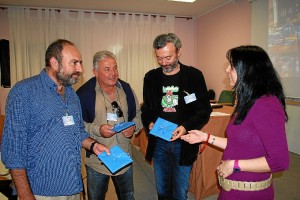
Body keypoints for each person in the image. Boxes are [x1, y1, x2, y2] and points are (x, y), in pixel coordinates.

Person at [1, 39, 110, 200]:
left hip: (72, 187)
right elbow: (13, 151)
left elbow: (77, 132)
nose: (80, 68)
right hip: (41, 192)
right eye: (74, 63)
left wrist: (93, 145)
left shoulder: (72, 94)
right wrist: (25, 195)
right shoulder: (24, 92)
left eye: (80, 63)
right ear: (54, 63)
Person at [181, 45, 289, 200]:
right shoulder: (248, 102)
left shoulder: (267, 105)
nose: (226, 70)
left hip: (250, 193)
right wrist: (204, 137)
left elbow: (280, 161)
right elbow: (239, 145)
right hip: (231, 188)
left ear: (249, 71)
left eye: (231, 66)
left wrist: (234, 165)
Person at [141, 33, 212, 200]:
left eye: (168, 57)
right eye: (159, 58)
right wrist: (149, 122)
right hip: (159, 141)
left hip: (184, 142)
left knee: (180, 192)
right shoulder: (151, 77)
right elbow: (147, 109)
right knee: (162, 191)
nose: (164, 63)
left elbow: (204, 110)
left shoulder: (194, 76)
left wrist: (185, 127)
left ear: (179, 52)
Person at [76, 50, 142, 200]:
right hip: (97, 160)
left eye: (115, 68)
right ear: (95, 72)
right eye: (107, 69)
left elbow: (138, 114)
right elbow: (77, 126)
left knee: (128, 196)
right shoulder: (83, 94)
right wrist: (97, 130)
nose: (113, 73)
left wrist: (134, 126)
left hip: (123, 156)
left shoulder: (126, 89)